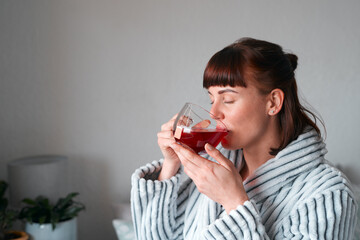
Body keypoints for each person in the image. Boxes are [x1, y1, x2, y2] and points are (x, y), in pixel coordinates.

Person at [131, 37, 358, 239]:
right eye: (211, 99)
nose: (214, 114)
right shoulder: (212, 168)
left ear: (273, 103)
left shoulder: (328, 193)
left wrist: (234, 202)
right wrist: (171, 164)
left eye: (228, 100)